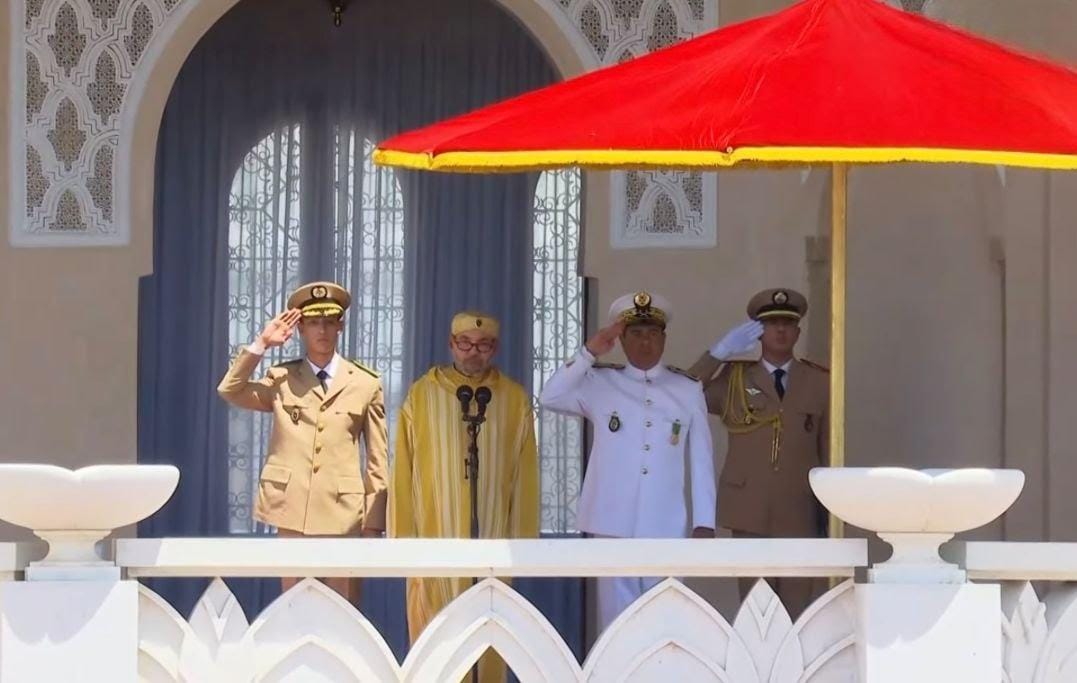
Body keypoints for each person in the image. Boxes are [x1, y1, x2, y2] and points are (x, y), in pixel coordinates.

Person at [540, 291, 715, 633]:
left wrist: (704, 521)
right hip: (611, 520)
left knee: (666, 617)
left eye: (652, 333)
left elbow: (702, 458)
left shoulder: (686, 388)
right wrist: (589, 353)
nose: (645, 342)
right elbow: (550, 396)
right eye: (635, 333)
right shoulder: (599, 382)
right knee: (617, 623)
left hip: (666, 522)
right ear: (621, 340)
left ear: (664, 338)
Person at [389, 310, 539, 683]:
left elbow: (525, 475)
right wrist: (402, 540)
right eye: (465, 344)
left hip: (493, 539)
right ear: (451, 345)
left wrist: (524, 545)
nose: (474, 352)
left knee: (491, 627)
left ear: (495, 349)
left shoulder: (513, 399)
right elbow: (403, 469)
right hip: (433, 539)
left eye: (483, 345)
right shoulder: (422, 395)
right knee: (436, 633)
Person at [217, 281, 387, 602]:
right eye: (312, 323)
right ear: (301, 330)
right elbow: (230, 389)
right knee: (294, 609)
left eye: (328, 322)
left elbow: (378, 460)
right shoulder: (282, 379)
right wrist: (261, 344)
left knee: (345, 612)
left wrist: (374, 523)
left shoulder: (366, 383)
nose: (321, 330)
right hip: (293, 509)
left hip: (345, 513)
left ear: (340, 325)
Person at [689, 287, 828, 618]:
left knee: (797, 611)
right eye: (771, 324)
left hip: (800, 510)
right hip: (749, 510)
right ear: (758, 332)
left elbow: (827, 449)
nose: (780, 330)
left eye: (787, 323)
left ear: (797, 331)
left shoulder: (819, 381)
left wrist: (828, 511)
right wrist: (719, 352)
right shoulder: (735, 378)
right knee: (756, 612)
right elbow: (684, 392)